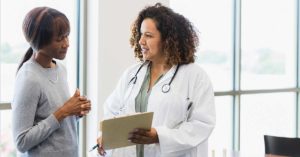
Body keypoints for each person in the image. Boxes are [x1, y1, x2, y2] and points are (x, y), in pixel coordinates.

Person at [97, 3, 215, 157]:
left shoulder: (195, 76)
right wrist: (105, 134)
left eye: (148, 35)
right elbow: (112, 110)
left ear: (167, 40)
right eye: (140, 34)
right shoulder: (132, 74)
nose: (141, 41)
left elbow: (202, 125)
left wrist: (159, 136)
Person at [12, 7, 91, 157]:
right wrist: (63, 112)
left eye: (67, 36)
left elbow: (54, 124)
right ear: (40, 42)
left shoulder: (60, 69)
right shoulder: (29, 78)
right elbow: (21, 142)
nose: (66, 43)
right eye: (59, 39)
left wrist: (75, 112)